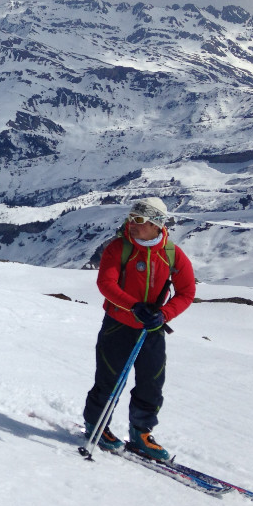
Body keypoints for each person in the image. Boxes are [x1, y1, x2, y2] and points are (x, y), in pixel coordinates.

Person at [82, 197, 196, 460]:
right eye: (131, 218)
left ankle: (141, 432)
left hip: (152, 329)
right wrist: (134, 307)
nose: (131, 224)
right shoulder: (118, 249)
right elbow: (106, 284)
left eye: (140, 220)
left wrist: (164, 313)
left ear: (157, 224)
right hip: (118, 326)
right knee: (109, 379)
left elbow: (187, 291)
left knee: (151, 383)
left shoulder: (171, 254)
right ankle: (95, 424)